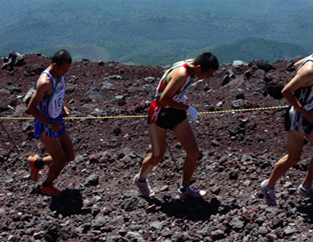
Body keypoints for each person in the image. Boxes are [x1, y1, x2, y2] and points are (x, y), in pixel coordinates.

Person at [133, 52, 219, 199]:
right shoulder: (181, 74)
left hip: (176, 109)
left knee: (193, 152)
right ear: (198, 68)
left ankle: (185, 189)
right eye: (208, 74)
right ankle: (140, 180)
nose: (208, 78)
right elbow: (163, 99)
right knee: (158, 155)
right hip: (160, 112)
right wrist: (187, 108)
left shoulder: (192, 66)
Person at [261, 54, 313, 206]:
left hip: (309, 113)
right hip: (299, 116)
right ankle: (269, 185)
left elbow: (297, 64)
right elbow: (286, 91)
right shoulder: (309, 71)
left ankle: (306, 187)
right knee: (293, 158)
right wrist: (306, 113)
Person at [27, 50, 75, 197]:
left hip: (57, 120)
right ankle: (46, 185)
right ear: (55, 65)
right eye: (64, 68)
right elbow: (31, 107)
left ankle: (37, 163)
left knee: (70, 156)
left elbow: (57, 95)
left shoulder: (60, 76)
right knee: (60, 160)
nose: (66, 71)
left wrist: (62, 107)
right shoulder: (45, 82)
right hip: (46, 123)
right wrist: (48, 124)